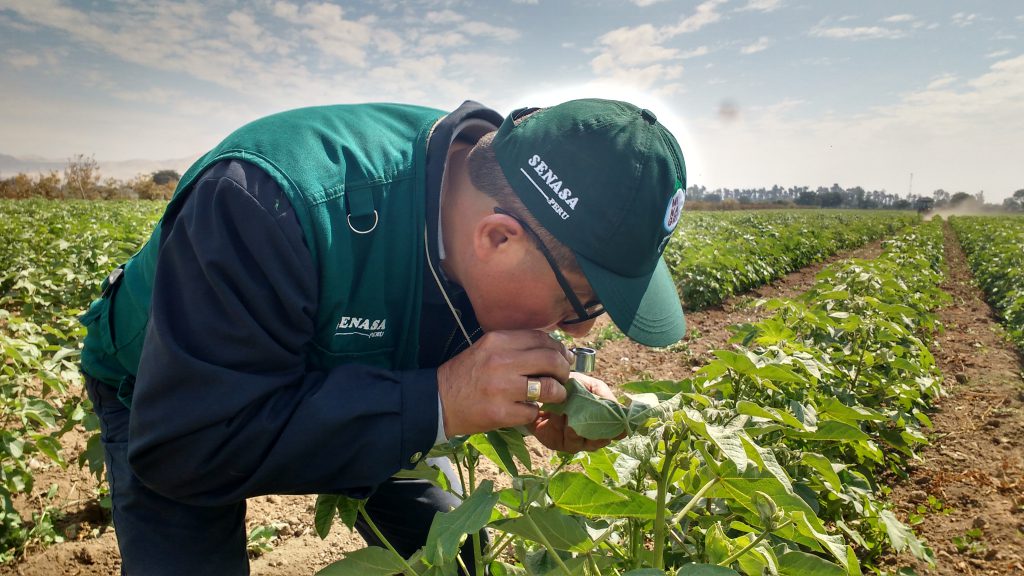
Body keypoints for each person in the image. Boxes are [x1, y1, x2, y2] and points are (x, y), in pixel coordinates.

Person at [79, 97, 688, 575]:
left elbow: (457, 337)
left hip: (369, 375)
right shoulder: (262, 201)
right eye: (578, 301)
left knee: (452, 555)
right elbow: (187, 443)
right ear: (498, 239)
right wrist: (439, 401)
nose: (581, 328)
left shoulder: (488, 201)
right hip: (175, 397)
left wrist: (543, 389)